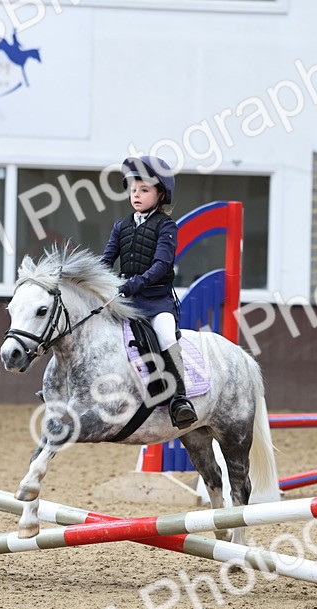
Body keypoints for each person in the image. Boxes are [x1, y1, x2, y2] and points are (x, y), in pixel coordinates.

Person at [100, 156, 198, 429]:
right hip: (126, 300)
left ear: (160, 194)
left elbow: (161, 264)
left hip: (156, 300)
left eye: (144, 190)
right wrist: (92, 281)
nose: (136, 195)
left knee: (165, 334)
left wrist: (136, 282)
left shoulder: (166, 226)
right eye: (133, 190)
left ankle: (180, 399)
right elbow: (106, 261)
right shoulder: (121, 227)